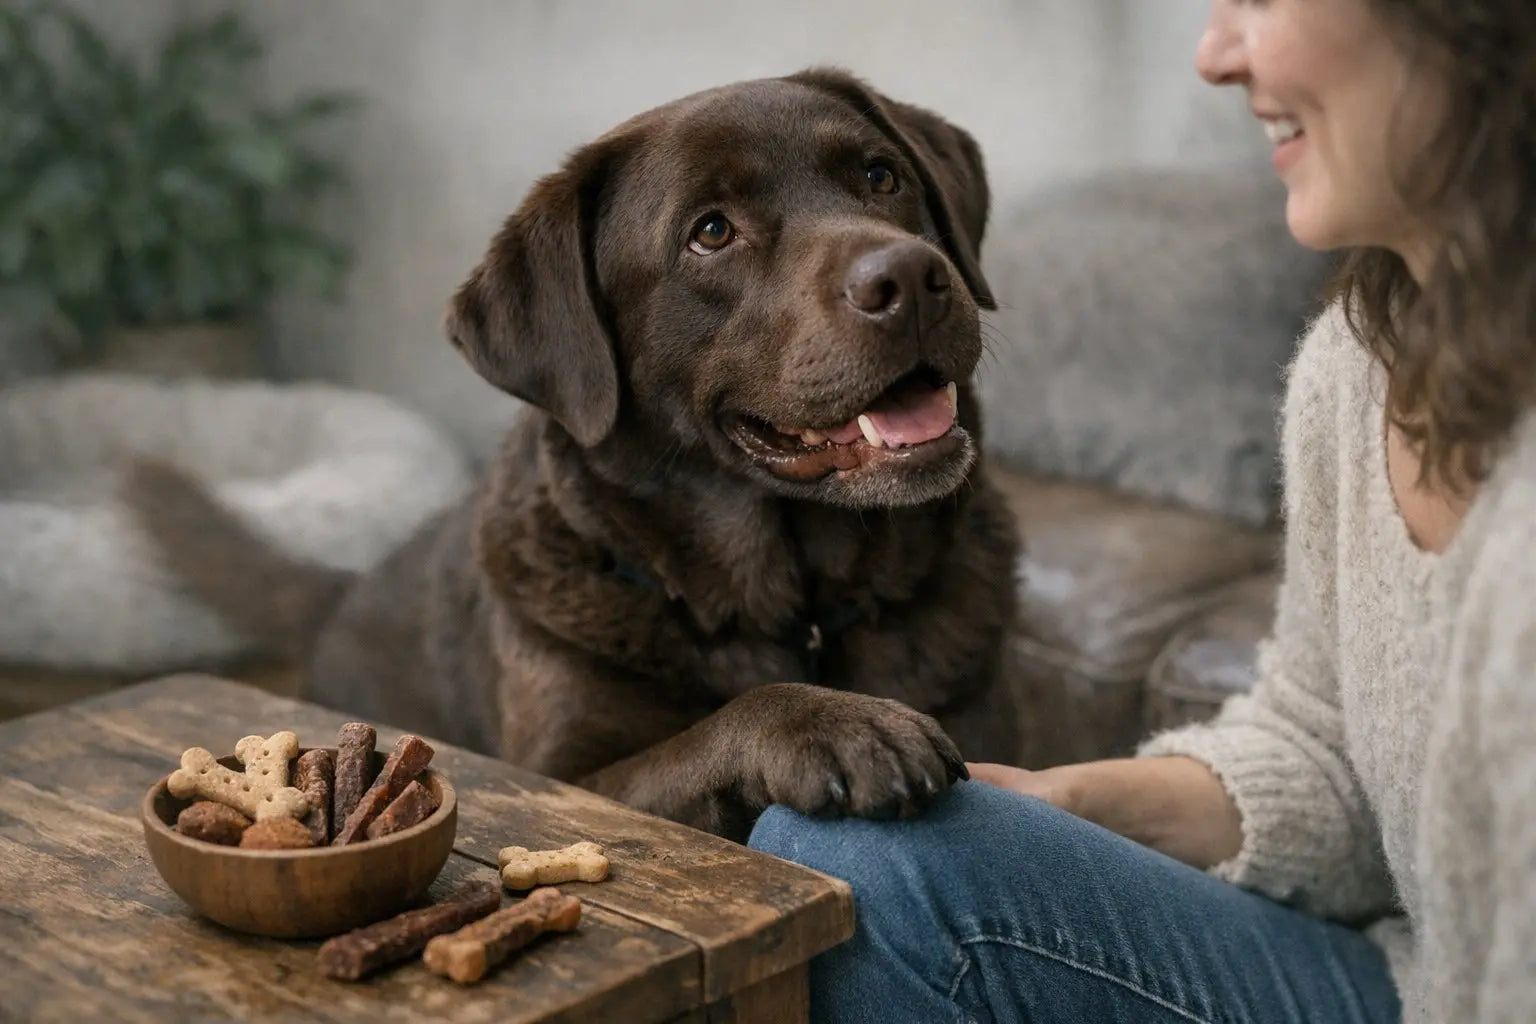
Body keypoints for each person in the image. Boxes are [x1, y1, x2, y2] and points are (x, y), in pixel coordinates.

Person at [748, 0, 1536, 1021]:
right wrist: (1063, 805)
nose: (1214, 56)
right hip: (1414, 982)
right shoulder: (1361, 356)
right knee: (855, 858)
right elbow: (1326, 750)